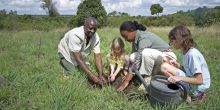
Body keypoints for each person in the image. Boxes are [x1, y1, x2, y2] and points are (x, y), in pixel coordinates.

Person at [117, 21, 177, 92]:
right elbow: (134, 60)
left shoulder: (143, 38)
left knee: (145, 53)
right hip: (157, 58)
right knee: (132, 56)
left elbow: (138, 60)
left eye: (126, 36)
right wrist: (128, 72)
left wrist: (126, 81)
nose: (125, 40)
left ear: (132, 31)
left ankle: (147, 79)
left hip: (168, 57)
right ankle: (145, 75)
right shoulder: (135, 39)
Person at [160, 25, 211, 103]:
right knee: (164, 67)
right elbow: (189, 71)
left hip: (198, 86)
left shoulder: (192, 54)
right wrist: (178, 65)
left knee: (168, 71)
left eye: (172, 41)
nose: (171, 43)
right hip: (191, 79)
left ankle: (194, 96)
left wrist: (179, 78)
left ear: (179, 40)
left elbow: (199, 80)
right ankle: (183, 91)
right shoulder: (185, 52)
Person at [58, 17, 107, 85]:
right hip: (66, 53)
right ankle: (63, 63)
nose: (92, 31)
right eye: (90, 28)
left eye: (94, 29)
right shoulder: (75, 35)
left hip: (80, 54)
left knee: (86, 72)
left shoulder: (96, 37)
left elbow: (98, 56)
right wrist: (93, 77)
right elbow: (78, 59)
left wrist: (100, 75)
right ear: (84, 26)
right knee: (75, 75)